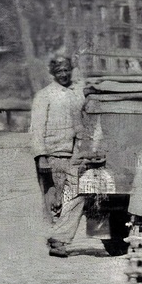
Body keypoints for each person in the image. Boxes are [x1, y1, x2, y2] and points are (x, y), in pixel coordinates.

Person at [29, 52, 92, 256]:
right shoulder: (44, 95)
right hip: (53, 155)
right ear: (53, 73)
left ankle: (59, 238)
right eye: (59, 71)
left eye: (66, 70)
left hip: (74, 153)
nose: (64, 74)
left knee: (75, 194)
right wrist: (41, 156)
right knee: (55, 200)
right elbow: (36, 128)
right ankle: (56, 240)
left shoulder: (77, 91)